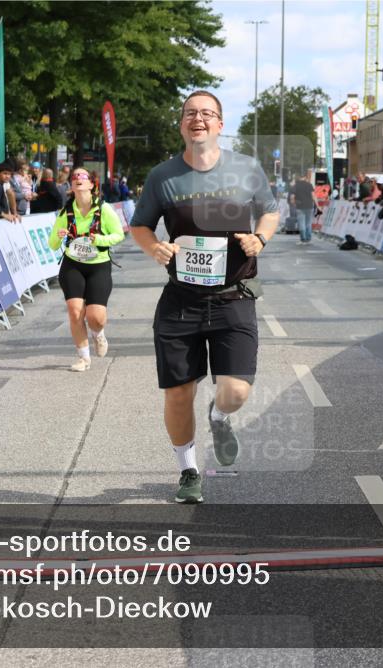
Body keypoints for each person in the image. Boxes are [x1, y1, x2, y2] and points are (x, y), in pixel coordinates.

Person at [129, 91, 279, 504]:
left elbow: (270, 210)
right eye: (191, 114)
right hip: (182, 298)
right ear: (181, 124)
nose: (199, 119)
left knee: (236, 391)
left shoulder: (246, 169)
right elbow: (139, 225)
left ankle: (219, 416)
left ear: (220, 123)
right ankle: (188, 470)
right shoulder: (164, 176)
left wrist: (260, 238)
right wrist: (154, 246)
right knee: (178, 392)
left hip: (234, 295)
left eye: (207, 114)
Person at [49, 167, 126, 372]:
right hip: (72, 264)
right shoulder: (67, 212)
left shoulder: (104, 209)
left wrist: (99, 239)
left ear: (92, 184)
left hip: (98, 265)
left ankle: (98, 335)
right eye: (75, 177)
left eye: (83, 176)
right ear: (71, 186)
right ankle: (83, 358)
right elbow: (52, 244)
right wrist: (60, 235)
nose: (78, 179)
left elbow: (119, 235)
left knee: (95, 317)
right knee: (75, 312)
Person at [291, 172, 315, 244]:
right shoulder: (309, 185)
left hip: (300, 206)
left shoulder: (295, 186)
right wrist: (317, 205)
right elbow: (313, 195)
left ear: (299, 178)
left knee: (301, 223)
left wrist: (294, 204)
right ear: (305, 177)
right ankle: (308, 238)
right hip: (309, 206)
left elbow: (292, 197)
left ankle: (303, 238)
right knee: (308, 223)